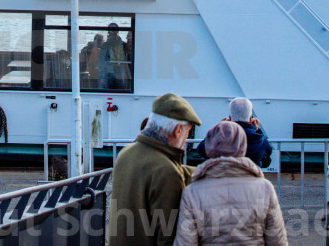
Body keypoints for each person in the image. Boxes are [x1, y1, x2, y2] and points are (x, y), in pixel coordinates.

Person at [107, 93, 202, 246]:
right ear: (178, 130)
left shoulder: (126, 153)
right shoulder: (166, 171)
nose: (185, 140)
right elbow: (168, 237)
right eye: (187, 132)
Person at [175, 121, 288, 246]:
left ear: (210, 148)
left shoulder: (192, 192)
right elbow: (277, 241)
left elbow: (185, 242)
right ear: (242, 146)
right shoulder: (265, 188)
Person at [196, 98, 274, 169]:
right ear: (250, 118)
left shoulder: (222, 136)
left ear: (230, 118)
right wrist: (256, 130)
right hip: (251, 182)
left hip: (225, 180)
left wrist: (219, 128)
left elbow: (202, 150)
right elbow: (266, 162)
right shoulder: (261, 140)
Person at [100, 23, 133, 90]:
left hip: (120, 73)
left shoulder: (123, 45)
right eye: (111, 31)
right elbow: (101, 60)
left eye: (114, 30)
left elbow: (128, 57)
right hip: (108, 73)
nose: (112, 33)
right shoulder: (105, 45)